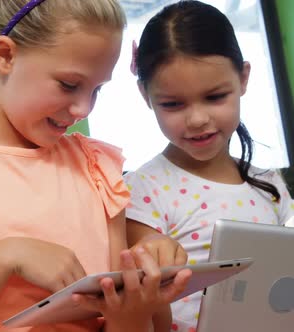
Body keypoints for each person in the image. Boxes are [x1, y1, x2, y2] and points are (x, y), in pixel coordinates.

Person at [0, 0, 191, 331]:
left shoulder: (98, 170)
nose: (84, 109)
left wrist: (140, 302)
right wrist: (6, 258)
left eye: (97, 90)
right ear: (5, 55)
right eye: (69, 85)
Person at [124, 1, 294, 331]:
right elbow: (147, 307)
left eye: (215, 97)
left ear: (243, 78)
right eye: (173, 104)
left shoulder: (269, 185)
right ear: (145, 94)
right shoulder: (140, 190)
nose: (198, 119)